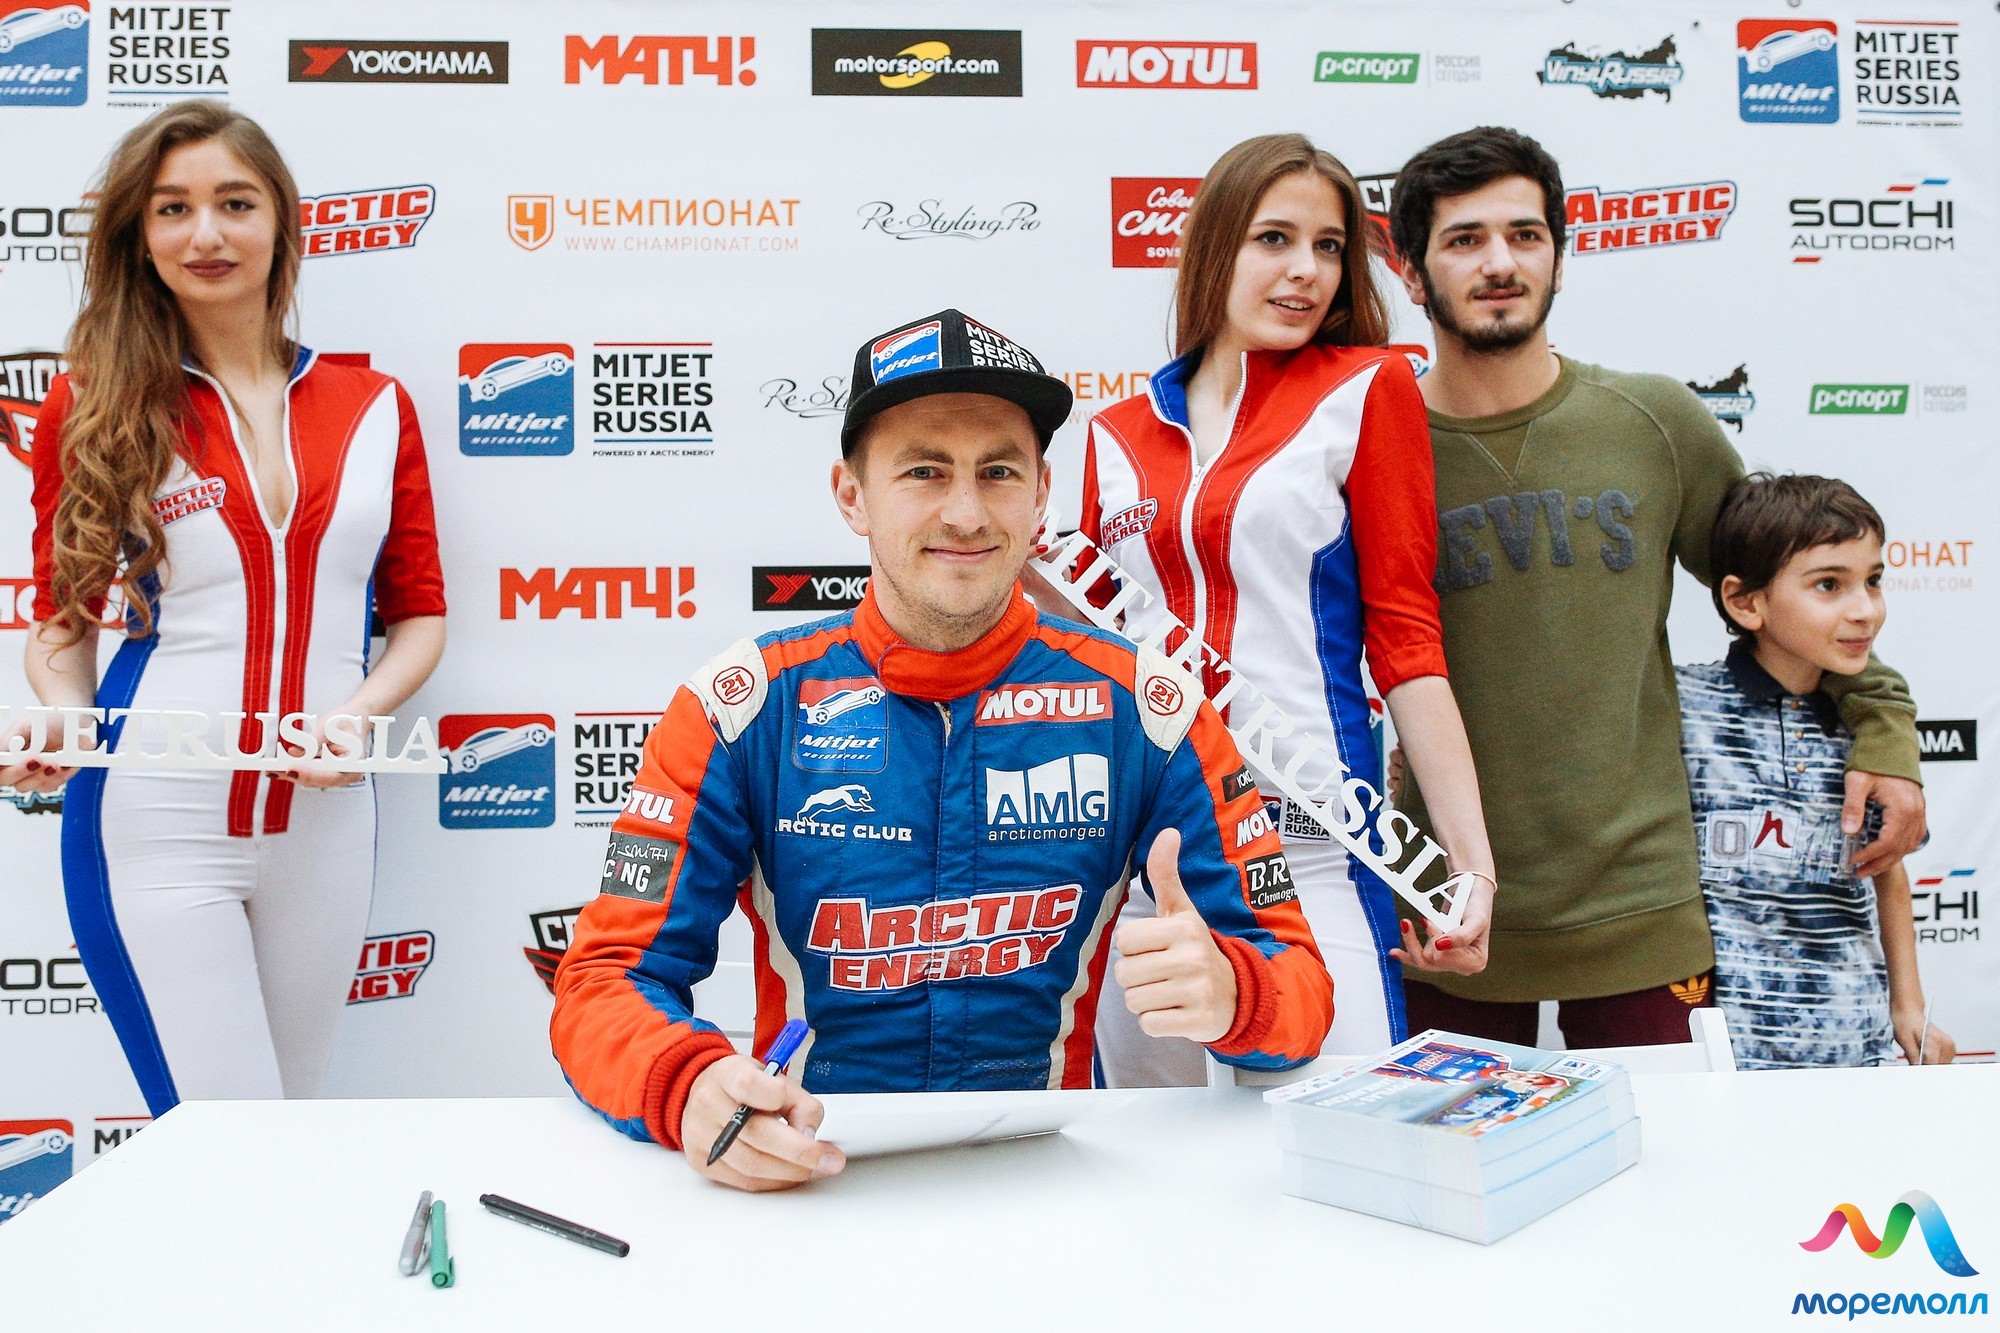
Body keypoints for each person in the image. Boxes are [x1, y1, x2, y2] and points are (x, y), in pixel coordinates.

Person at [550, 309, 1334, 1193]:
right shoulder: (743, 707)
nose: (965, 512)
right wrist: (689, 1087)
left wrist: (1237, 991)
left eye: (998, 472)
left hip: (1046, 1179)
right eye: (924, 471)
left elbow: (1300, 985)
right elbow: (605, 981)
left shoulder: (1149, 710)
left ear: (1040, 495)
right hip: (814, 1172)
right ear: (853, 495)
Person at [1386, 126, 1925, 1046]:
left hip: (1645, 907)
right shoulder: (1368, 445)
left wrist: (1887, 729)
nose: (1500, 262)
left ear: (1561, 258)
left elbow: (1788, 595)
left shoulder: (1655, 423)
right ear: (1410, 272)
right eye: (1465, 239)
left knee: (1676, 1143)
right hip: (1442, 910)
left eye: (1525, 235)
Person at [1, 102, 446, 1114]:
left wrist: (358, 717)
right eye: (173, 208)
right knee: (219, 1140)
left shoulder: (374, 405)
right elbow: (63, 623)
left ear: (281, 221)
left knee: (281, 1138)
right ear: (140, 235)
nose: (205, 233)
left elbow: (419, 615)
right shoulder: (96, 402)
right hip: (155, 811)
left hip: (326, 826)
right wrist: (65, 718)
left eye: (234, 203)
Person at [1047, 133, 1497, 1084]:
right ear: (1215, 245)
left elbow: (1408, 642)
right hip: (1145, 866)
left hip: (1311, 849)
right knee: (1152, 1160)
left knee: (1345, 1140)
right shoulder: (1112, 437)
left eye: (1329, 247)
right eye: (1275, 239)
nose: (1306, 271)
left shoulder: (1367, 389)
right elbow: (1082, 663)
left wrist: (1465, 869)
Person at [1680, 474, 1954, 1068]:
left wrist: (1909, 1007)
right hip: (1723, 1055)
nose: (1866, 610)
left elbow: (1888, 871)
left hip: (1856, 1041)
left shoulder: (1875, 733)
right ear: (1746, 602)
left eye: (1873, 581)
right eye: (1829, 585)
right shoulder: (1684, 709)